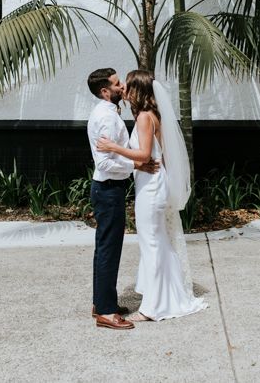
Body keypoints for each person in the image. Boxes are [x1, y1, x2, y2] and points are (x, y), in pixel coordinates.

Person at [97, 70, 207, 322]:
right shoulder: (150, 114)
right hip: (153, 183)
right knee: (159, 242)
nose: (124, 89)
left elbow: (145, 155)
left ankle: (153, 307)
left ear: (139, 90)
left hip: (151, 187)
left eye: (128, 86)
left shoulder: (145, 117)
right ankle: (169, 295)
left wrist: (112, 147)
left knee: (152, 244)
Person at [86, 68, 158, 330]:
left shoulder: (108, 113)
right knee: (108, 249)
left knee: (106, 247)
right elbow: (105, 163)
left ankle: (101, 302)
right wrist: (135, 167)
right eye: (117, 85)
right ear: (105, 91)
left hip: (108, 189)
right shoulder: (106, 118)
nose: (123, 88)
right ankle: (105, 312)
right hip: (107, 189)